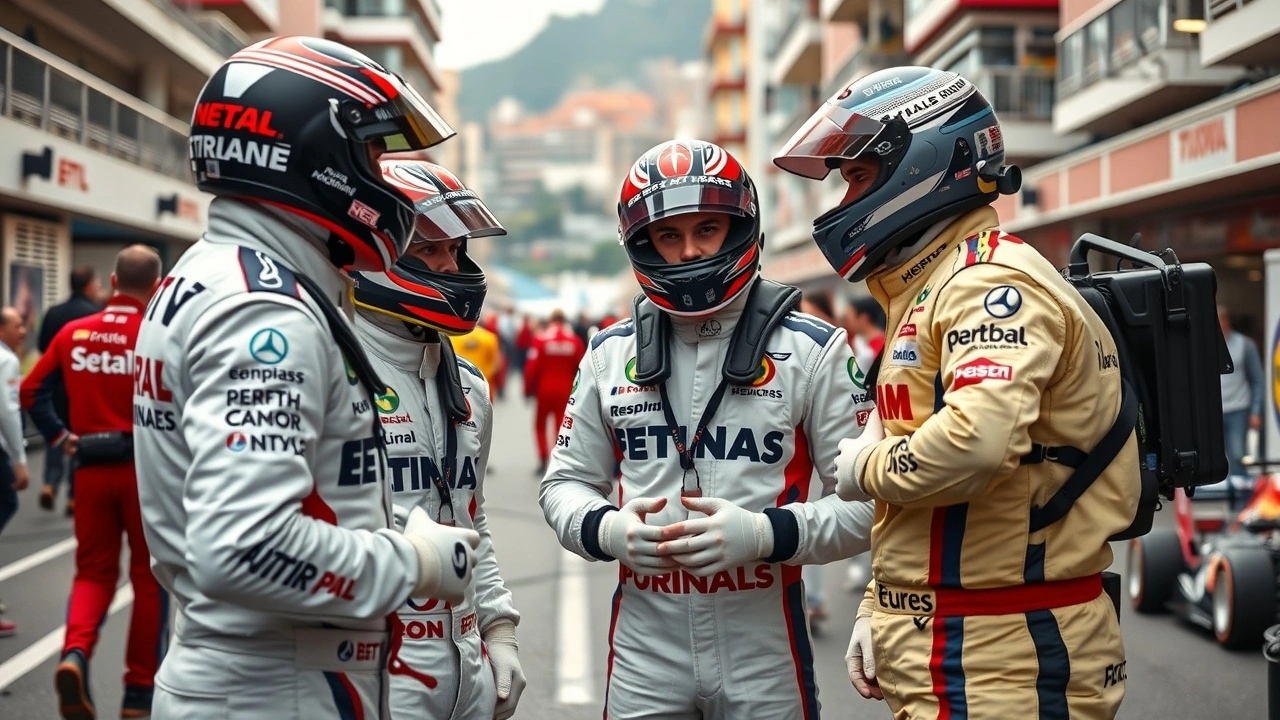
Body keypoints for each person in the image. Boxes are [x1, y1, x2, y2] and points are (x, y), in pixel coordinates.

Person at [129, 37, 482, 720]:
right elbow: (245, 545)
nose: (384, 175)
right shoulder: (265, 310)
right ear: (319, 156)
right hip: (275, 686)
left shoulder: (215, 273)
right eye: (375, 154)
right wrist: (413, 562)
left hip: (255, 673)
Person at [774, 66, 1139, 719]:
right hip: (957, 641)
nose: (844, 198)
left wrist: (863, 468)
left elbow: (976, 445)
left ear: (920, 165)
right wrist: (884, 602)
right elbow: (935, 508)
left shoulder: (985, 284)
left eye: (856, 176)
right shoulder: (935, 284)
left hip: (1005, 657)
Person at [541, 139, 875, 719]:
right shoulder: (607, 353)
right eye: (669, 236)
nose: (689, 252)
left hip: (763, 639)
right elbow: (562, 484)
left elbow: (872, 508)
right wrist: (607, 531)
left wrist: (765, 535)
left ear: (740, 227)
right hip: (647, 641)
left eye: (708, 229)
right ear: (643, 244)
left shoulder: (812, 351)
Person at [351, 159, 524, 720]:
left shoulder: (469, 385)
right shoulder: (334, 368)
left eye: (456, 249)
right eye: (430, 251)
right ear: (377, 253)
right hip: (372, 667)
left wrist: (498, 630)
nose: (451, 266)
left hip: (465, 665)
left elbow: (472, 521)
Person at [22, 246, 166, 718]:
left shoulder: (73, 331)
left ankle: (75, 654)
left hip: (89, 468)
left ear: (111, 280)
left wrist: (60, 436)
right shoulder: (155, 334)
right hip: (145, 475)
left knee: (92, 573)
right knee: (149, 581)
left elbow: (30, 391)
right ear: (157, 285)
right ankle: (138, 696)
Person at [37, 266, 102, 515]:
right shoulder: (95, 315)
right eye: (96, 285)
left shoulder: (53, 313)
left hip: (56, 386)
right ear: (88, 286)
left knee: (56, 434)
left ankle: (50, 482)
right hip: (82, 386)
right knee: (80, 436)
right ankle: (74, 496)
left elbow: (44, 347)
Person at [524, 309, 585, 476]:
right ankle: (559, 461)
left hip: (544, 390)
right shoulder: (575, 341)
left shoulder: (540, 339)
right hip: (566, 391)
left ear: (550, 321)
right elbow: (581, 368)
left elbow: (531, 368)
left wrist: (527, 389)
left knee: (540, 425)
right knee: (561, 426)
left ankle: (543, 458)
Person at [0, 306, 29, 637]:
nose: (23, 330)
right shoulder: (6, 360)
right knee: (7, 503)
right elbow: (8, 413)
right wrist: (19, 459)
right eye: (17, 325)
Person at [1218, 305, 1264, 493]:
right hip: (1215, 410)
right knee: (1219, 457)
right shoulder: (1205, 344)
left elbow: (1257, 380)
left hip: (1238, 408)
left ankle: (1241, 497)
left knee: (1238, 454)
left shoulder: (1245, 345)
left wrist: (1255, 410)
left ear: (1227, 321)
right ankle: (1223, 496)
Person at [451, 324, 503, 402]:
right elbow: (497, 364)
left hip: (461, 385)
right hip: (484, 384)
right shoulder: (490, 338)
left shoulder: (454, 338)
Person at [846, 296, 885, 372]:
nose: (847, 323)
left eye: (849, 318)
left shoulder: (881, 346)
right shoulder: (859, 342)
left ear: (864, 318)